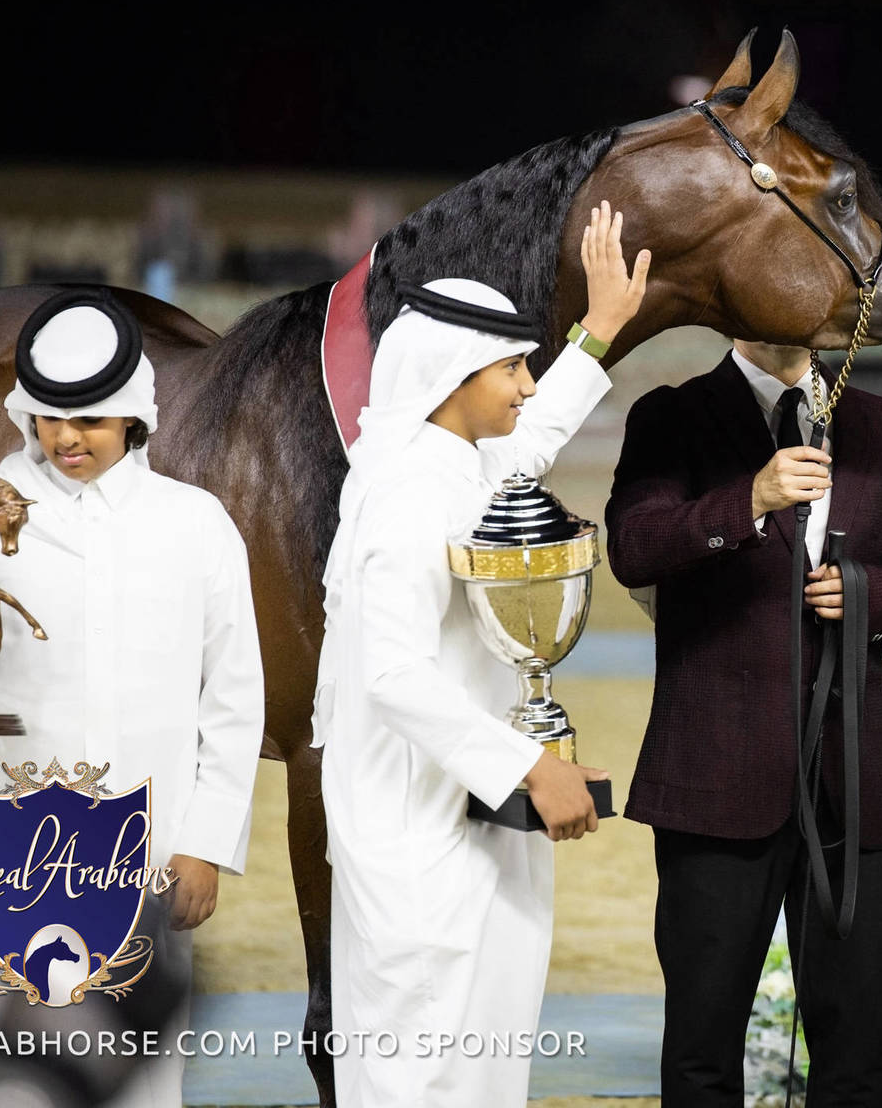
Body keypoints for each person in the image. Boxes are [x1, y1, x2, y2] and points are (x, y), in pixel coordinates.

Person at [312, 201, 650, 1107]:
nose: (527, 386)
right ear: (451, 376)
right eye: (512, 367)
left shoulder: (453, 461)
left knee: (485, 1070)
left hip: (473, 821)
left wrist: (602, 331)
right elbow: (393, 676)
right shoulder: (407, 496)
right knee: (419, 1075)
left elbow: (529, 444)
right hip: (416, 838)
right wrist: (531, 766)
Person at [0, 287, 266, 1107]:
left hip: (141, 854)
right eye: (48, 418)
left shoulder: (198, 523)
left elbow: (235, 701)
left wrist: (206, 844)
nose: (66, 438)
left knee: (131, 1081)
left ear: (135, 415)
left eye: (90, 420)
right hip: (6, 854)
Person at [605, 334, 882, 1105]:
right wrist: (750, 499)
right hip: (713, 779)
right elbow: (633, 548)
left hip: (850, 782)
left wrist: (864, 592)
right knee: (702, 1053)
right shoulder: (672, 416)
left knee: (861, 1053)